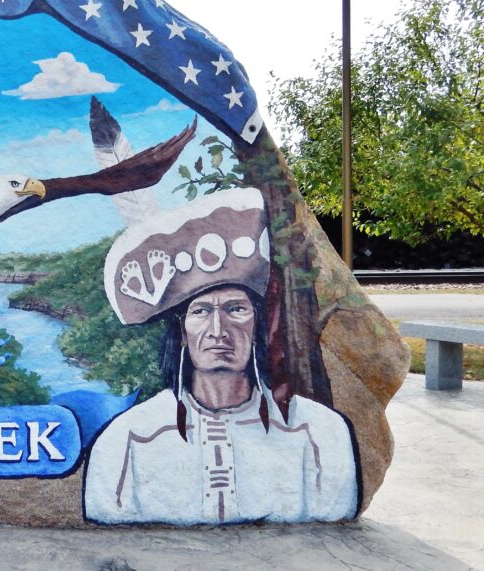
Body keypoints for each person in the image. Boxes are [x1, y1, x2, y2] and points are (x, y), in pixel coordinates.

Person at [85, 188, 359, 525]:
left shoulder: (319, 433)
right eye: (200, 311)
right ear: (182, 332)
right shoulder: (128, 438)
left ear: (259, 325)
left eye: (236, 309)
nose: (218, 329)